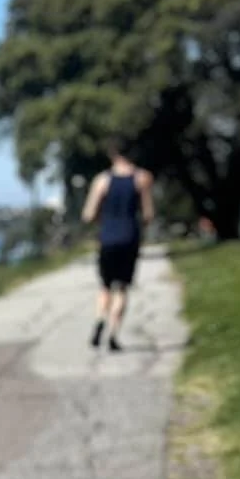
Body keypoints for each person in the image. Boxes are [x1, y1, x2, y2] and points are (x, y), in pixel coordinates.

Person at [82, 144, 154, 350]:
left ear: (112, 154)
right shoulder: (142, 178)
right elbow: (148, 213)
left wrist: (102, 221)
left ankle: (99, 321)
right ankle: (113, 334)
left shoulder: (102, 180)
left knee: (105, 286)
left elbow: (88, 214)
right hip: (129, 236)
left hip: (107, 238)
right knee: (121, 287)